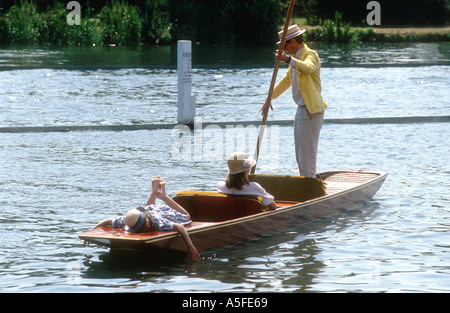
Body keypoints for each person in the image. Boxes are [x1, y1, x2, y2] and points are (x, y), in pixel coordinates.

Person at [261, 24, 327, 178]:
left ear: (293, 42)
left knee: (307, 156)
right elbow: (286, 81)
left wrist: (288, 59)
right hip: (301, 110)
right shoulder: (295, 59)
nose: (283, 48)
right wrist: (269, 98)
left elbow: (308, 68)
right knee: (300, 155)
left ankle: (310, 190)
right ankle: (307, 184)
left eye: (284, 44)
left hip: (311, 111)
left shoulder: (310, 55)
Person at [90, 176, 199, 261]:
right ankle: (155, 192)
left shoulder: (159, 223)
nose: (146, 228)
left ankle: (163, 196)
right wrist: (92, 231)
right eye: (141, 227)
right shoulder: (129, 220)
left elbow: (180, 227)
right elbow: (108, 221)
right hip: (149, 210)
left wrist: (190, 247)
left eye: (144, 225)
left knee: (186, 217)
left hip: (162, 212)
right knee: (146, 208)